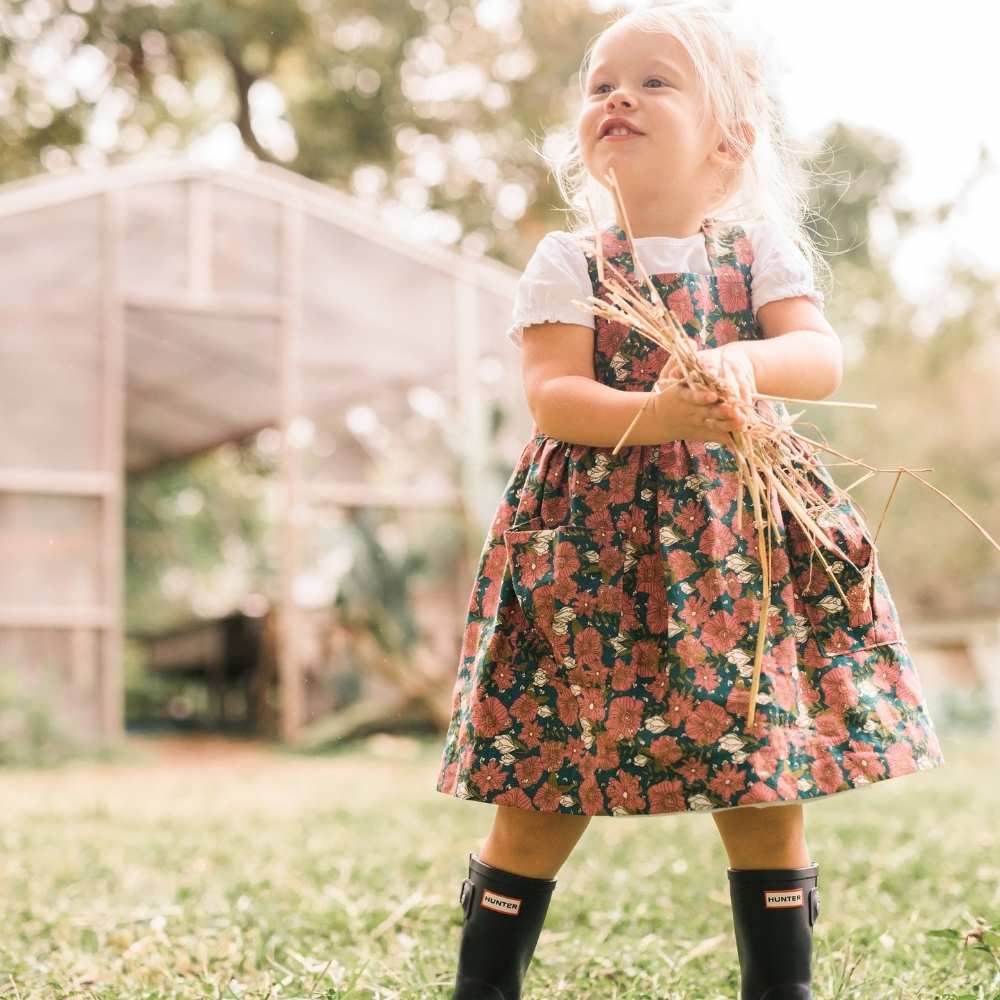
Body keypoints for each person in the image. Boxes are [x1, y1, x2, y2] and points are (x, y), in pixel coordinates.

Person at [434, 3, 946, 997]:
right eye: (599, 84)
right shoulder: (569, 263)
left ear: (727, 143)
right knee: (550, 768)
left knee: (759, 770)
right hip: (593, 553)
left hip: (731, 553)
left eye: (654, 81)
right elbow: (553, 397)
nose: (618, 95)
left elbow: (818, 356)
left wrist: (739, 363)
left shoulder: (753, 256)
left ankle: (779, 982)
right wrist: (656, 413)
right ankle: (485, 978)